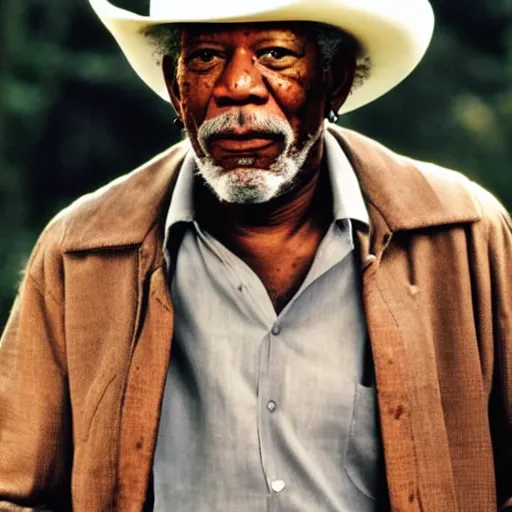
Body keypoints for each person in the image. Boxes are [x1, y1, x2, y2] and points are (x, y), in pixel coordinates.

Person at [0, 0, 511, 510]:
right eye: (204, 58)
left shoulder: (463, 238)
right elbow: (14, 490)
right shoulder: (82, 253)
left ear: (335, 81)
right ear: (175, 87)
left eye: (273, 53)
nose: (237, 86)